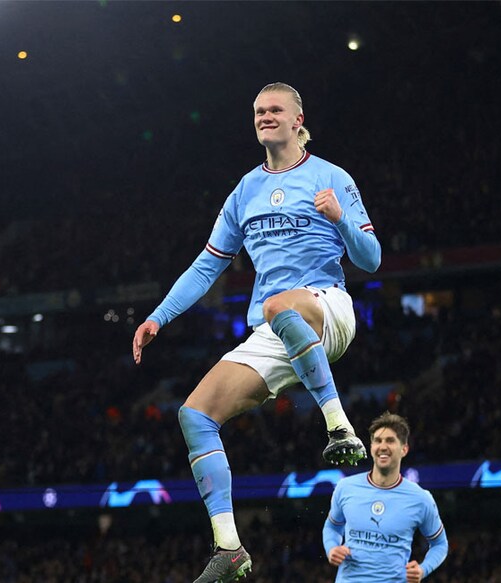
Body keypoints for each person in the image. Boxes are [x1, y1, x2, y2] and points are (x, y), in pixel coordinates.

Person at [132, 82, 381, 582]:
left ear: (297, 120)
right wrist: (158, 316)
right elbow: (206, 267)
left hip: (327, 309)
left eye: (275, 110)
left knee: (277, 305)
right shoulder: (244, 191)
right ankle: (229, 548)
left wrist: (340, 220)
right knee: (195, 414)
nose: (265, 116)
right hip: (276, 328)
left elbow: (370, 260)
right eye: (258, 111)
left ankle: (339, 425)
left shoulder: (331, 177)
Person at [322, 412, 447, 582]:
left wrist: (423, 569)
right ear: (371, 447)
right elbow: (332, 527)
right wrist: (332, 548)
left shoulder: (420, 499)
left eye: (390, 440)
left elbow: (440, 544)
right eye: (377, 441)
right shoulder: (346, 488)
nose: (382, 446)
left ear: (404, 449)